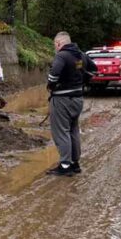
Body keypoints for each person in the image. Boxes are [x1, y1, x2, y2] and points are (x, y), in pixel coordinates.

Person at [45, 32, 97, 176]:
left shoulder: (62, 56)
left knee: (61, 131)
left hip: (62, 99)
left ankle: (65, 166)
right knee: (73, 130)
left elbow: (54, 74)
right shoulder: (80, 55)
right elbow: (94, 69)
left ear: (58, 43)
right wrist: (83, 81)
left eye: (55, 45)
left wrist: (51, 85)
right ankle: (75, 163)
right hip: (77, 98)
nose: (55, 48)